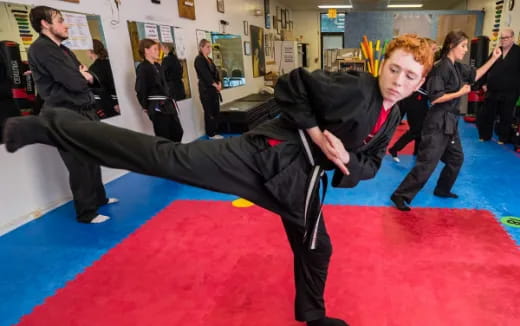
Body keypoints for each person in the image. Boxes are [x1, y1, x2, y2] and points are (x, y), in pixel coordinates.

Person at [4, 34, 433, 326]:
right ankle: (48, 126)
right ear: (383, 64)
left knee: (317, 248)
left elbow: (370, 165)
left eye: (410, 76)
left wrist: (344, 162)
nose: (399, 81)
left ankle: (312, 314)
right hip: (261, 157)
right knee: (166, 158)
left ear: (421, 82)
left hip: (298, 184)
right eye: (394, 69)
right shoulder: (356, 88)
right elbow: (290, 86)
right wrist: (320, 135)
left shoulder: (392, 113)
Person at [391, 30, 502, 211]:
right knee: (427, 163)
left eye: (467, 46)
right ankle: (400, 195)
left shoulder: (457, 67)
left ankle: (442, 189)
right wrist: (460, 93)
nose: (466, 50)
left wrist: (494, 58)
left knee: (456, 159)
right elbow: (435, 98)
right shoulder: (440, 68)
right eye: (463, 46)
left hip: (450, 121)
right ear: (451, 45)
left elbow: (475, 75)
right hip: (437, 122)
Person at [27, 6, 117, 223]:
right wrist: (81, 76)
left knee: (93, 157)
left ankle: (99, 198)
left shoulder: (64, 50)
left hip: (85, 111)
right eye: (59, 20)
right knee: (79, 163)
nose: (65, 24)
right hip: (65, 114)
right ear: (45, 24)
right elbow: (75, 81)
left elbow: (93, 79)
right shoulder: (41, 49)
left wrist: (84, 76)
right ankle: (86, 212)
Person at [389, 39, 438, 162]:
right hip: (415, 98)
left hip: (420, 99)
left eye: (435, 49)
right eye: (433, 49)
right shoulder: (420, 63)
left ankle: (417, 152)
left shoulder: (430, 63)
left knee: (421, 128)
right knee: (416, 128)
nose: (434, 51)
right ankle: (395, 148)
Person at [135, 39, 183, 142]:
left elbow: (164, 85)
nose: (158, 51)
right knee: (164, 136)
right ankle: (167, 157)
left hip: (168, 103)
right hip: (156, 105)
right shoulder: (143, 68)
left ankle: (175, 154)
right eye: (155, 49)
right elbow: (140, 89)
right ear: (146, 50)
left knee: (178, 131)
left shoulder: (158, 66)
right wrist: (145, 106)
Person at [477, 28, 520, 144]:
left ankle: (503, 138)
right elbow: (487, 67)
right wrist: (483, 83)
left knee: (506, 115)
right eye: (502, 37)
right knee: (487, 114)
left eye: (506, 37)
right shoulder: (497, 51)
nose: (503, 40)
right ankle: (485, 135)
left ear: (512, 38)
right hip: (492, 89)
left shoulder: (518, 52)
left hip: (510, 91)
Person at [194, 39, 223, 139]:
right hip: (205, 90)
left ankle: (215, 131)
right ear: (201, 47)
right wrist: (215, 84)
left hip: (214, 90)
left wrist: (219, 82)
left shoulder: (210, 60)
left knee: (216, 110)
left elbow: (216, 72)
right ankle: (211, 134)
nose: (209, 49)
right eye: (207, 47)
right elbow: (205, 75)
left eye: (210, 47)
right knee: (209, 112)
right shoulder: (199, 60)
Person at [87, 39, 119, 118]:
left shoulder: (93, 68)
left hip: (106, 103)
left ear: (91, 51)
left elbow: (100, 89)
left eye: (87, 50)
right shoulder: (110, 63)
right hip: (117, 99)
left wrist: (113, 104)